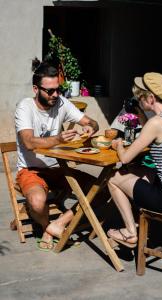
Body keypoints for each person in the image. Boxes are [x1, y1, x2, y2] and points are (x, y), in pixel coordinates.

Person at [15, 58, 99, 250]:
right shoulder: (25, 107)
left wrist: (90, 128)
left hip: (58, 168)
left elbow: (92, 122)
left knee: (102, 190)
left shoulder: (61, 103)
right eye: (50, 90)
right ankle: (46, 225)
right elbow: (28, 142)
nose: (55, 94)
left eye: (58, 89)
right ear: (36, 89)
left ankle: (57, 224)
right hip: (31, 170)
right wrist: (59, 139)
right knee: (37, 203)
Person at [107, 72, 162, 247]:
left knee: (113, 178)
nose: (138, 100)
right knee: (143, 171)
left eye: (140, 98)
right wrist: (139, 112)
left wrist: (118, 145)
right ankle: (143, 226)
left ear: (151, 98)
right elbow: (154, 132)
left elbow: (124, 158)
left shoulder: (157, 123)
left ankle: (130, 232)